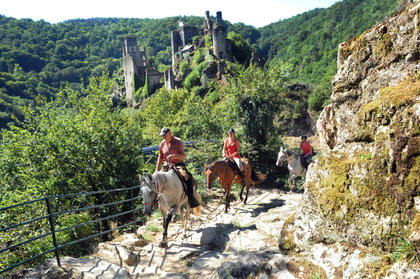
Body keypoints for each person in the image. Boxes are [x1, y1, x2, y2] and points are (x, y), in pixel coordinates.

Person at [155, 127, 200, 208]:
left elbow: (183, 156)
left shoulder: (178, 141)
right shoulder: (162, 143)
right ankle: (155, 202)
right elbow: (160, 156)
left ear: (170, 134)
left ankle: (191, 199)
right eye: (162, 136)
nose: (163, 137)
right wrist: (157, 169)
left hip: (178, 164)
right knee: (156, 179)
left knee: (187, 177)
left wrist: (173, 156)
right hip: (166, 165)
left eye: (165, 135)